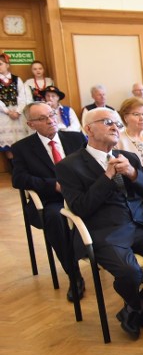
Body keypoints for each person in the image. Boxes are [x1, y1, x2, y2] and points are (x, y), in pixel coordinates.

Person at [56, 107, 143, 340]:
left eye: (117, 123)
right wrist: (106, 176)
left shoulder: (129, 157)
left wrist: (133, 174)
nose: (115, 127)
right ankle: (138, 308)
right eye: (107, 122)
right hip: (104, 232)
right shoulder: (68, 166)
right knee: (130, 273)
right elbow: (81, 208)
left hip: (139, 227)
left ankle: (135, 306)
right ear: (88, 129)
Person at [12, 102, 88, 301]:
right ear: (31, 124)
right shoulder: (22, 148)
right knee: (55, 219)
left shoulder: (76, 138)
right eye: (42, 118)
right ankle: (74, 275)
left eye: (52, 114)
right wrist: (52, 185)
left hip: (81, 195)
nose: (50, 120)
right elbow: (18, 179)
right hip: (52, 200)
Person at [0, 52, 29, 156]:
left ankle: (22, 167)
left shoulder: (17, 79)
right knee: (8, 146)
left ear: (7, 65)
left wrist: (17, 111)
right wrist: (7, 111)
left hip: (18, 115)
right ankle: (13, 169)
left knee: (21, 142)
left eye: (0, 64)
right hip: (3, 115)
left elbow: (22, 97)